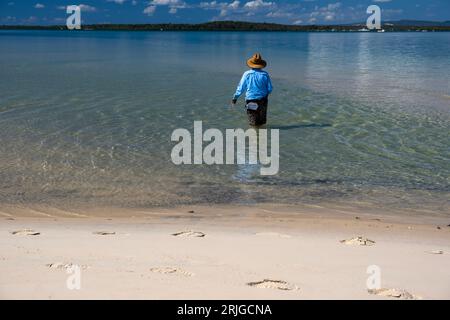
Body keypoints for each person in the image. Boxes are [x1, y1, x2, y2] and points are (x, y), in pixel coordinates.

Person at [231, 53, 273, 126]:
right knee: (262, 121)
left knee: (253, 121)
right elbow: (270, 88)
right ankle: (262, 136)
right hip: (263, 100)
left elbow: (241, 88)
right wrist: (265, 95)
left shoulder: (247, 74)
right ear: (261, 64)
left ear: (251, 64)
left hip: (251, 100)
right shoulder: (265, 74)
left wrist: (235, 98)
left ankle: (254, 136)